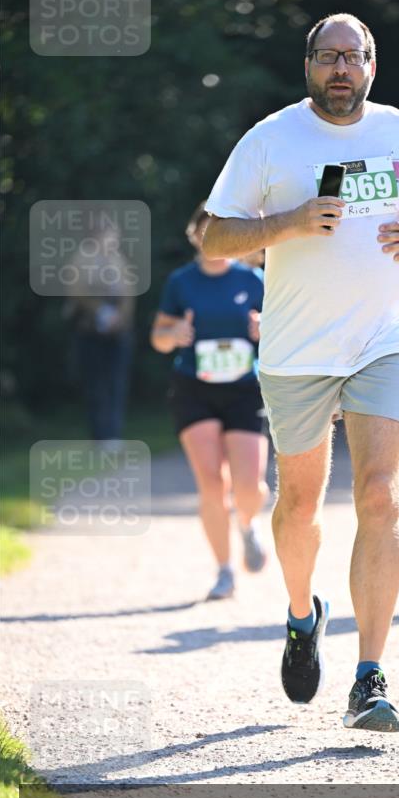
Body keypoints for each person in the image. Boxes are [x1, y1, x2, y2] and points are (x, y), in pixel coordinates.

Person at [202, 13, 399, 731]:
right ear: (306, 64)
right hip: (297, 350)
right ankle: (301, 612)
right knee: (299, 506)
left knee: (379, 495)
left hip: (382, 339)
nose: (341, 69)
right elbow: (214, 232)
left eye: (354, 57)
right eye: (328, 57)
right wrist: (287, 222)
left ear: (372, 64)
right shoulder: (270, 138)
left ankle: (369, 677)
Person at [151, 203, 269, 600]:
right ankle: (223, 571)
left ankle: (248, 525)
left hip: (243, 390)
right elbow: (159, 337)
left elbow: (283, 333)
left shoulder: (255, 280)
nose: (212, 238)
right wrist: (176, 333)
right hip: (193, 389)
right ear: (195, 235)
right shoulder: (181, 282)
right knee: (211, 485)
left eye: (221, 230)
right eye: (206, 230)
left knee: (249, 487)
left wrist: (263, 329)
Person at [65, 219, 135, 451]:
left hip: (118, 332)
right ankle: (100, 436)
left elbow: (129, 293)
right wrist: (101, 312)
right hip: (90, 330)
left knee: (116, 383)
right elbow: (77, 293)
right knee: (96, 384)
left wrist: (120, 318)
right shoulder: (82, 259)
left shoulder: (118, 259)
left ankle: (114, 435)